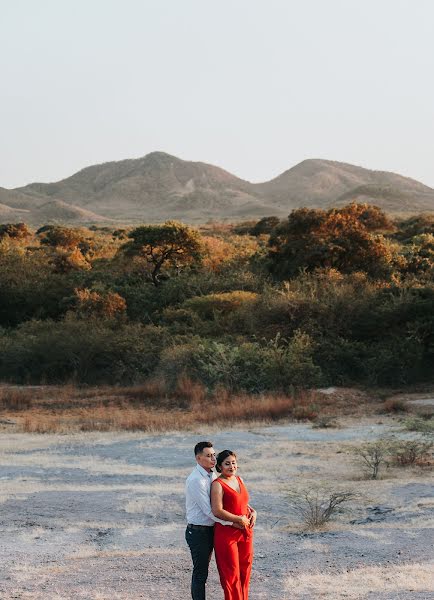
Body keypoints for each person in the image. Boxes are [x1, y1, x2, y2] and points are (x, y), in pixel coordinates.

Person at [185, 441, 249, 600]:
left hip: (214, 529)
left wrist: (250, 510)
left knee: (231, 569)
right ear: (198, 459)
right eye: (208, 456)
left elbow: (228, 499)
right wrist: (233, 522)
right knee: (201, 574)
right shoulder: (196, 480)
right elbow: (211, 511)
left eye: (214, 455)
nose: (213, 458)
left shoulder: (211, 475)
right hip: (199, 531)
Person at [211, 449, 256, 600]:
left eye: (234, 463)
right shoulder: (218, 484)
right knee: (231, 574)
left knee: (245, 570)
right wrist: (238, 519)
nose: (231, 466)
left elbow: (243, 503)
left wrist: (253, 511)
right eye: (227, 464)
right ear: (219, 467)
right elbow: (217, 511)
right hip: (227, 533)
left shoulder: (240, 480)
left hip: (245, 531)